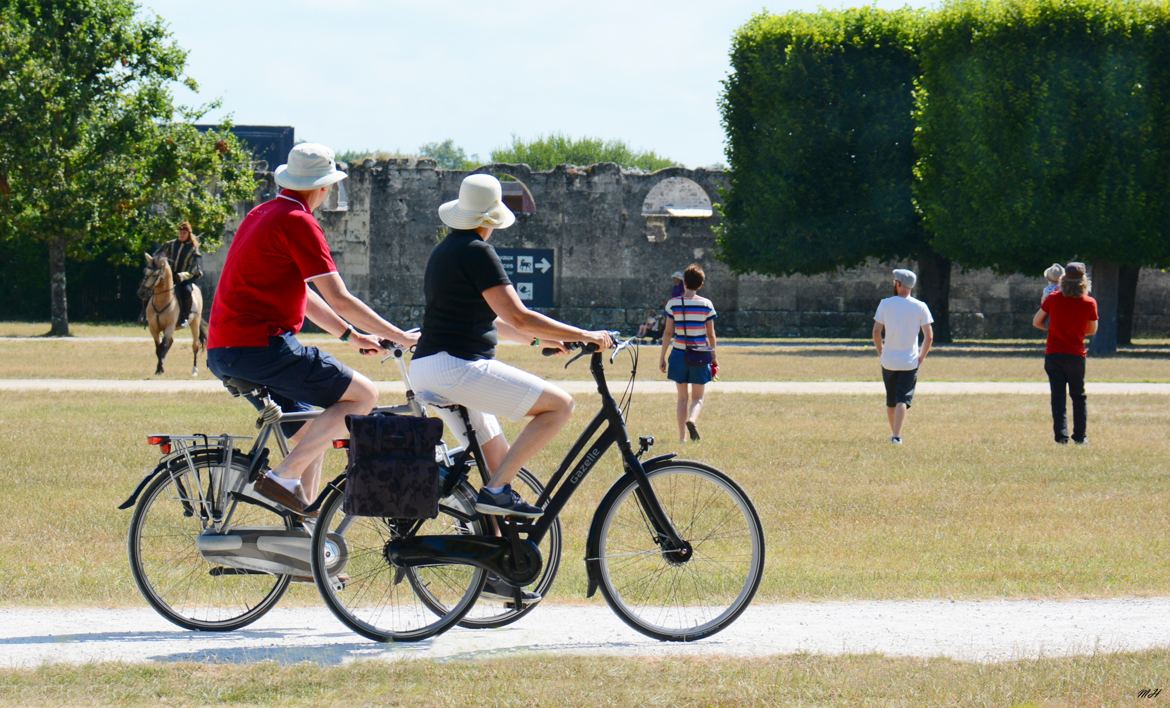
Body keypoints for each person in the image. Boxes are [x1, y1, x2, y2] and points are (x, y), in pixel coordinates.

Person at [206, 143, 418, 515]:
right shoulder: (298, 221)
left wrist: (350, 336)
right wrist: (400, 336)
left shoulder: (262, 213)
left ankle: (306, 550)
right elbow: (341, 298)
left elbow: (302, 291)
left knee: (310, 436)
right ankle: (282, 477)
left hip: (227, 349)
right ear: (324, 187)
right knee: (363, 396)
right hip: (262, 347)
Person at [410, 173, 613, 526]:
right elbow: (518, 316)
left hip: (430, 367)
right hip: (458, 368)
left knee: (498, 461)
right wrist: (586, 334)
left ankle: (496, 567)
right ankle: (495, 492)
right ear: (491, 219)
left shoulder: (445, 252)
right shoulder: (477, 252)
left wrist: (541, 339)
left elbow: (491, 320)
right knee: (559, 406)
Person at [1032, 262, 1098, 445]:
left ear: (1063, 280)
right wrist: (1074, 330)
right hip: (1075, 354)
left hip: (1054, 353)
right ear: (1084, 281)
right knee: (1078, 396)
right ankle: (1080, 436)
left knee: (1058, 396)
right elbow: (1092, 330)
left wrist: (1054, 329)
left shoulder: (1053, 298)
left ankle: (1061, 436)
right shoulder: (1089, 302)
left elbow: (1037, 322)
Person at [872, 268, 934, 445]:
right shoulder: (920, 306)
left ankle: (893, 432)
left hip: (888, 360)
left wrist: (880, 351)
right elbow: (929, 336)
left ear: (898, 284)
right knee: (902, 399)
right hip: (909, 361)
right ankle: (896, 435)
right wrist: (922, 356)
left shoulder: (885, 303)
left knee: (891, 399)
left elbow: (877, 331)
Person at [659, 263, 718, 443]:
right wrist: (714, 358)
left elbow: (668, 333)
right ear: (701, 284)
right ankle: (692, 419)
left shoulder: (673, 304)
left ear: (684, 283)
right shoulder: (706, 305)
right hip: (700, 354)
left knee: (682, 398)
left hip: (678, 353)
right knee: (698, 397)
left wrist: (662, 357)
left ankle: (682, 438)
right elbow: (711, 335)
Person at [141, 221, 203, 326]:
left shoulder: (194, 249)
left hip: (185, 277)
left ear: (189, 234)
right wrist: (158, 262)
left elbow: (194, 269)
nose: (182, 234)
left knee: (186, 291)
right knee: (150, 286)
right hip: (168, 276)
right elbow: (157, 255)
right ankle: (144, 315)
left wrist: (182, 275)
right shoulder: (170, 244)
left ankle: (184, 317)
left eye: (184, 232)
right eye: (180, 232)